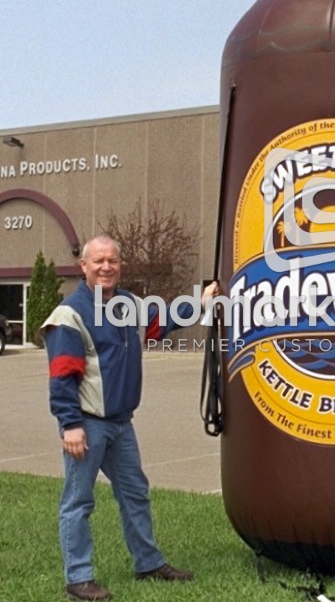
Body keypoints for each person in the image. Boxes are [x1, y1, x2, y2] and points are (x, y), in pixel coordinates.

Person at [42, 235, 219, 601]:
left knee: (135, 493)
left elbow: (163, 321)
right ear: (84, 267)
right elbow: (62, 376)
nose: (106, 267)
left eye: (113, 261)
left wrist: (201, 303)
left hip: (122, 424)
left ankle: (148, 563)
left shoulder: (130, 305)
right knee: (78, 501)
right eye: (98, 261)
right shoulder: (70, 315)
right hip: (87, 424)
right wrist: (70, 425)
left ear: (120, 266)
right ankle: (78, 579)